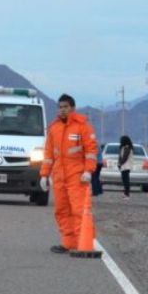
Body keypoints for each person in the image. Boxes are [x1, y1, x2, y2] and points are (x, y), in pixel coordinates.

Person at [39, 94, 98, 254]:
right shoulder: (54, 128)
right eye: (60, 107)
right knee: (62, 210)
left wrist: (88, 171)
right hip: (59, 176)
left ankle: (83, 243)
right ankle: (67, 242)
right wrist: (44, 175)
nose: (62, 109)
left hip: (77, 176)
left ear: (72, 107)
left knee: (79, 210)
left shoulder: (83, 126)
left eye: (65, 106)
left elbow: (91, 151)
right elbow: (49, 153)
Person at [118, 136, 134, 200]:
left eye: (121, 140)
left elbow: (125, 157)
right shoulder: (124, 147)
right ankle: (125, 193)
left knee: (126, 181)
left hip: (126, 166)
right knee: (124, 181)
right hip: (124, 166)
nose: (120, 141)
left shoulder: (127, 148)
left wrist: (120, 163)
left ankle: (127, 195)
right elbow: (121, 156)